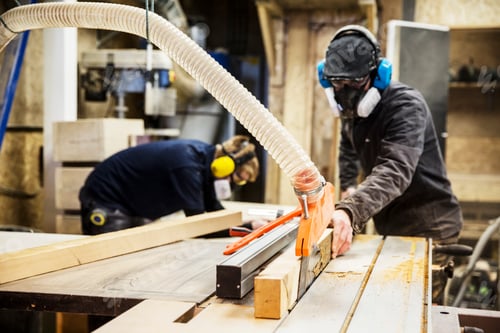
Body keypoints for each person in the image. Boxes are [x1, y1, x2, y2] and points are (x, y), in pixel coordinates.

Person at [321, 25, 463, 304]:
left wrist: (350, 211)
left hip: (429, 229)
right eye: (338, 83)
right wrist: (349, 187)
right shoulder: (352, 110)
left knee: (413, 313)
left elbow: (396, 169)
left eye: (354, 83)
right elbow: (347, 148)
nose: (345, 92)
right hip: (390, 225)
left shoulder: (405, 106)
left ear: (378, 76)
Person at [79, 135, 262, 236]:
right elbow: (199, 226)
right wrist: (245, 230)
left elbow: (213, 210)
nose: (232, 183)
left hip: (133, 207)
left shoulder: (202, 161)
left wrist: (250, 225)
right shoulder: (187, 166)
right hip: (107, 201)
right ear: (226, 165)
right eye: (236, 176)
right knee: (114, 267)